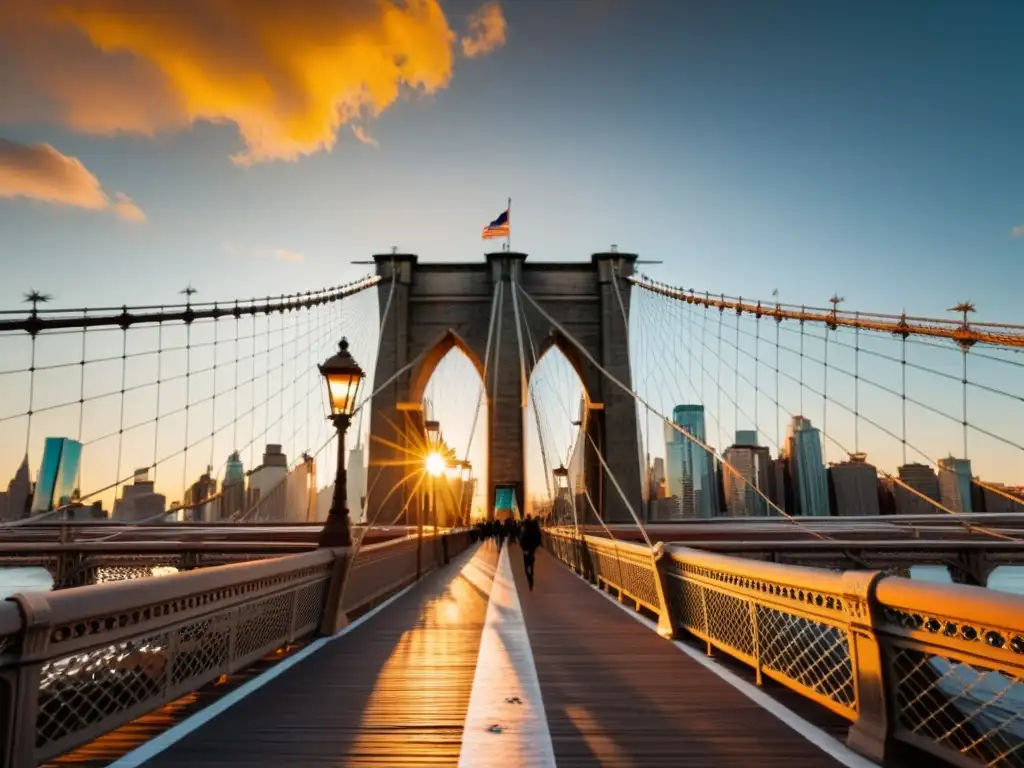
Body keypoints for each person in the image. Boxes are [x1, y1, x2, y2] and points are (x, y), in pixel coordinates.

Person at [519, 514, 542, 590]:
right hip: (532, 549)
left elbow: (521, 539)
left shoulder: (524, 528)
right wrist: (536, 546)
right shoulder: (534, 528)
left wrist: (522, 546)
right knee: (531, 563)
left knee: (526, 566)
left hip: (526, 549)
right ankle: (531, 573)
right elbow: (538, 537)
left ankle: (530, 578)